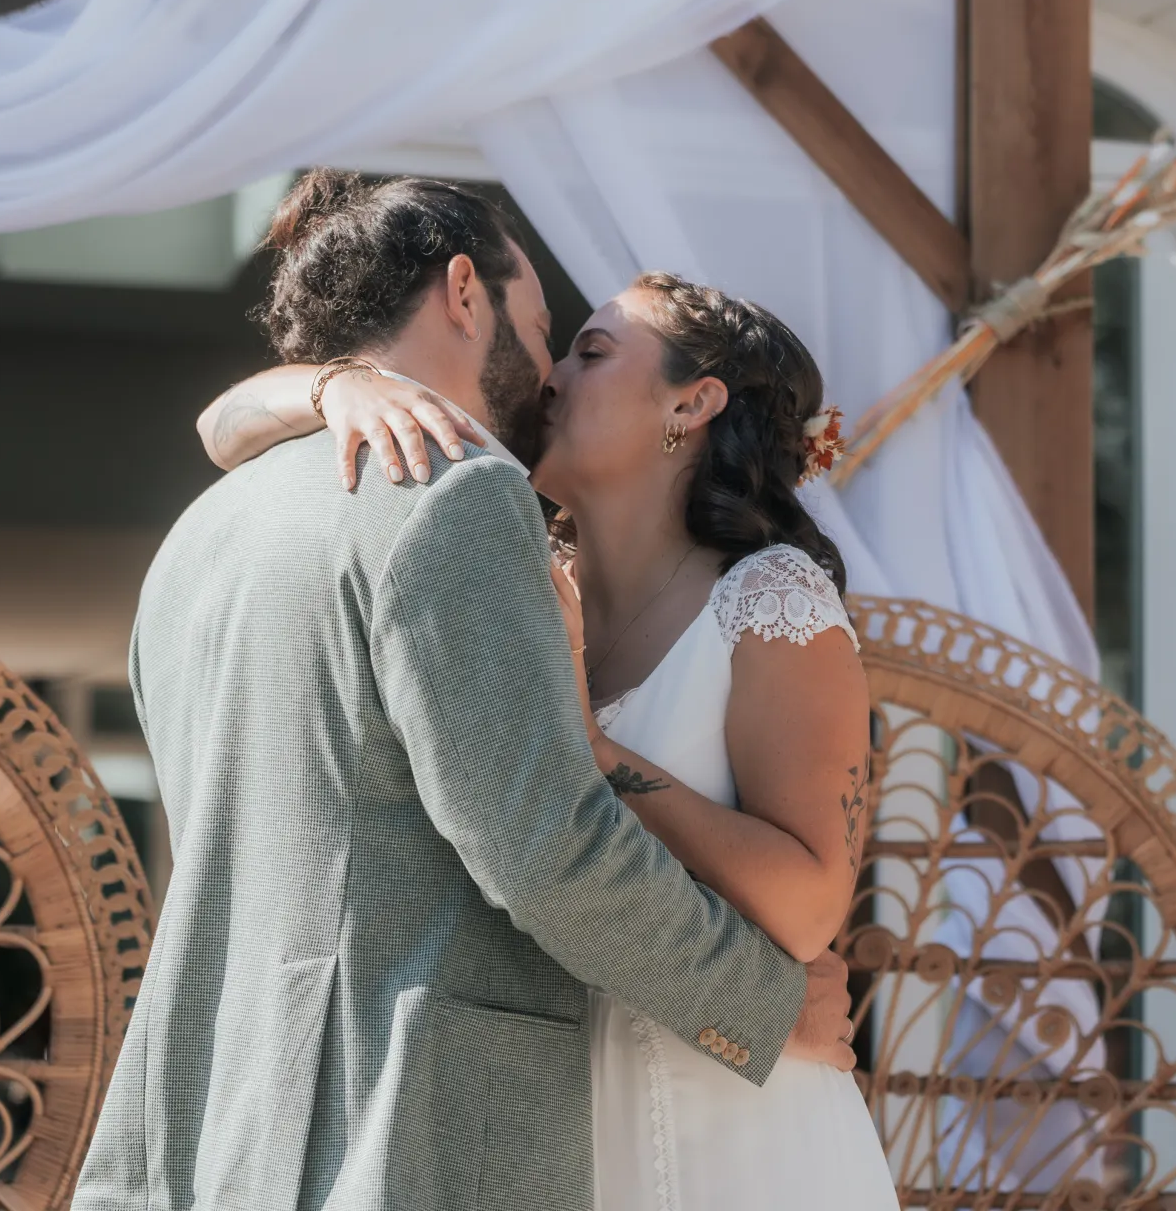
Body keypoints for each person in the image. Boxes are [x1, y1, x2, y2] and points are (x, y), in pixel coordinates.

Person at [72, 170, 857, 1211]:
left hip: (238, 1121)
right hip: (402, 1123)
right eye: (547, 331)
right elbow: (548, 852)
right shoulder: (459, 497)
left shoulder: (204, 532)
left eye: (583, 348)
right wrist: (767, 1008)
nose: (546, 374)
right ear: (461, 293)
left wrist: (308, 389)